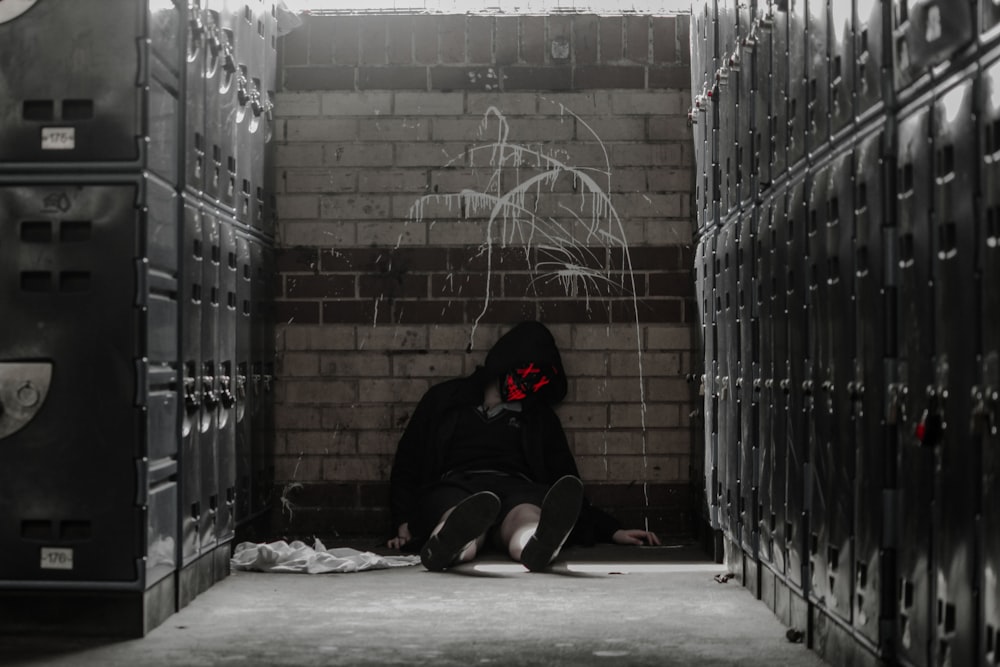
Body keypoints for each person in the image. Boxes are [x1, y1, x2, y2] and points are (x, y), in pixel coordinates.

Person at [386, 320, 660, 571]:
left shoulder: (538, 418)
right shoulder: (444, 400)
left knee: (528, 518)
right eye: (524, 375)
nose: (527, 386)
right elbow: (408, 463)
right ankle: (448, 547)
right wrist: (403, 522)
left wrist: (611, 530)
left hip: (519, 489)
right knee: (460, 518)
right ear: (505, 363)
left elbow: (565, 482)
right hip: (457, 487)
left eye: (537, 381)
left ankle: (536, 546)